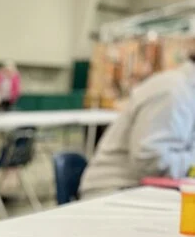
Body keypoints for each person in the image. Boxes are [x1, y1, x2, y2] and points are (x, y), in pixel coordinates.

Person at [80, 57, 195, 198]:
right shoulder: (173, 92)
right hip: (115, 191)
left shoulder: (185, 90)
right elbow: (150, 162)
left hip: (140, 190)